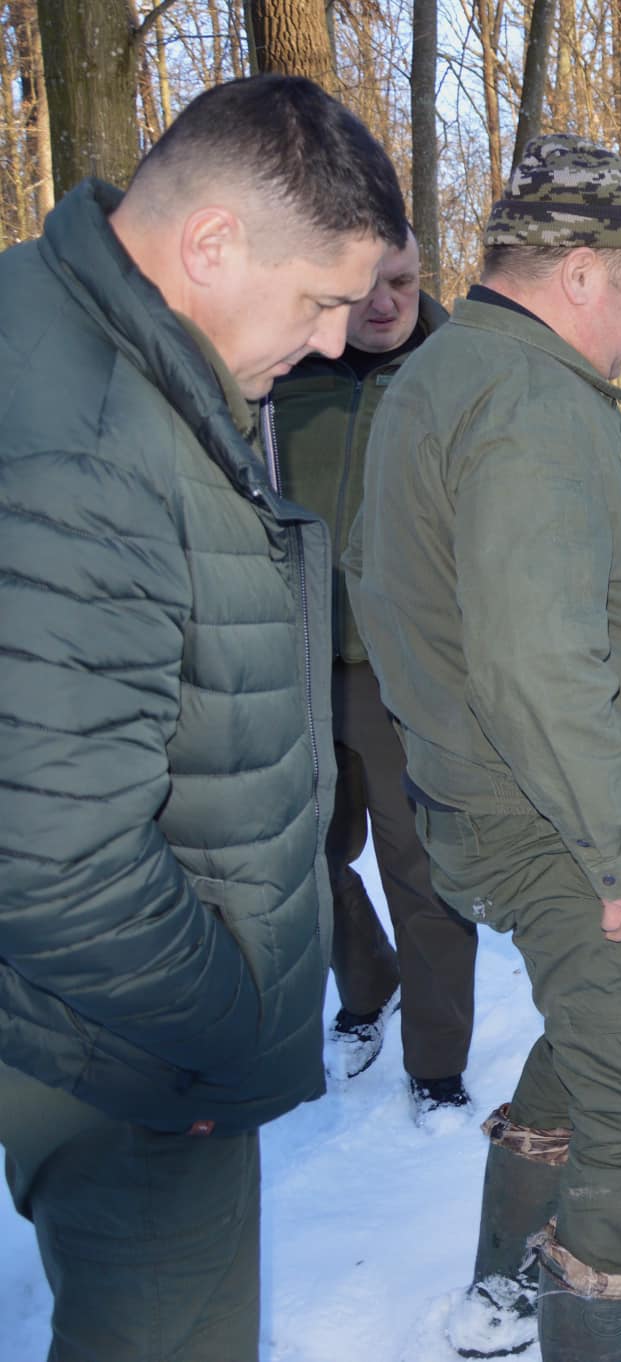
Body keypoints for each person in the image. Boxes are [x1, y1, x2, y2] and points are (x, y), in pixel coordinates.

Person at [0, 75, 403, 1360]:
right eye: (322, 301)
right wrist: (224, 1032)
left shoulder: (82, 339)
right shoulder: (91, 437)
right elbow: (54, 854)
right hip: (124, 1044)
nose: (336, 342)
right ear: (213, 242)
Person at [349, 135, 621, 1359]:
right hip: (565, 816)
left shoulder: (449, 376)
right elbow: (531, 654)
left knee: (594, 1039)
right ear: (579, 274)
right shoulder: (524, 401)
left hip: (504, 795)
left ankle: (503, 1294)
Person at [269, 227, 482, 1116]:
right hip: (289, 663)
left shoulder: (461, 375)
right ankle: (366, 982)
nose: (385, 302)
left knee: (425, 871)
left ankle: (437, 1065)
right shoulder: (278, 379)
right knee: (302, 859)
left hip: (410, 674)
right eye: (364, 285)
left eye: (403, 280)